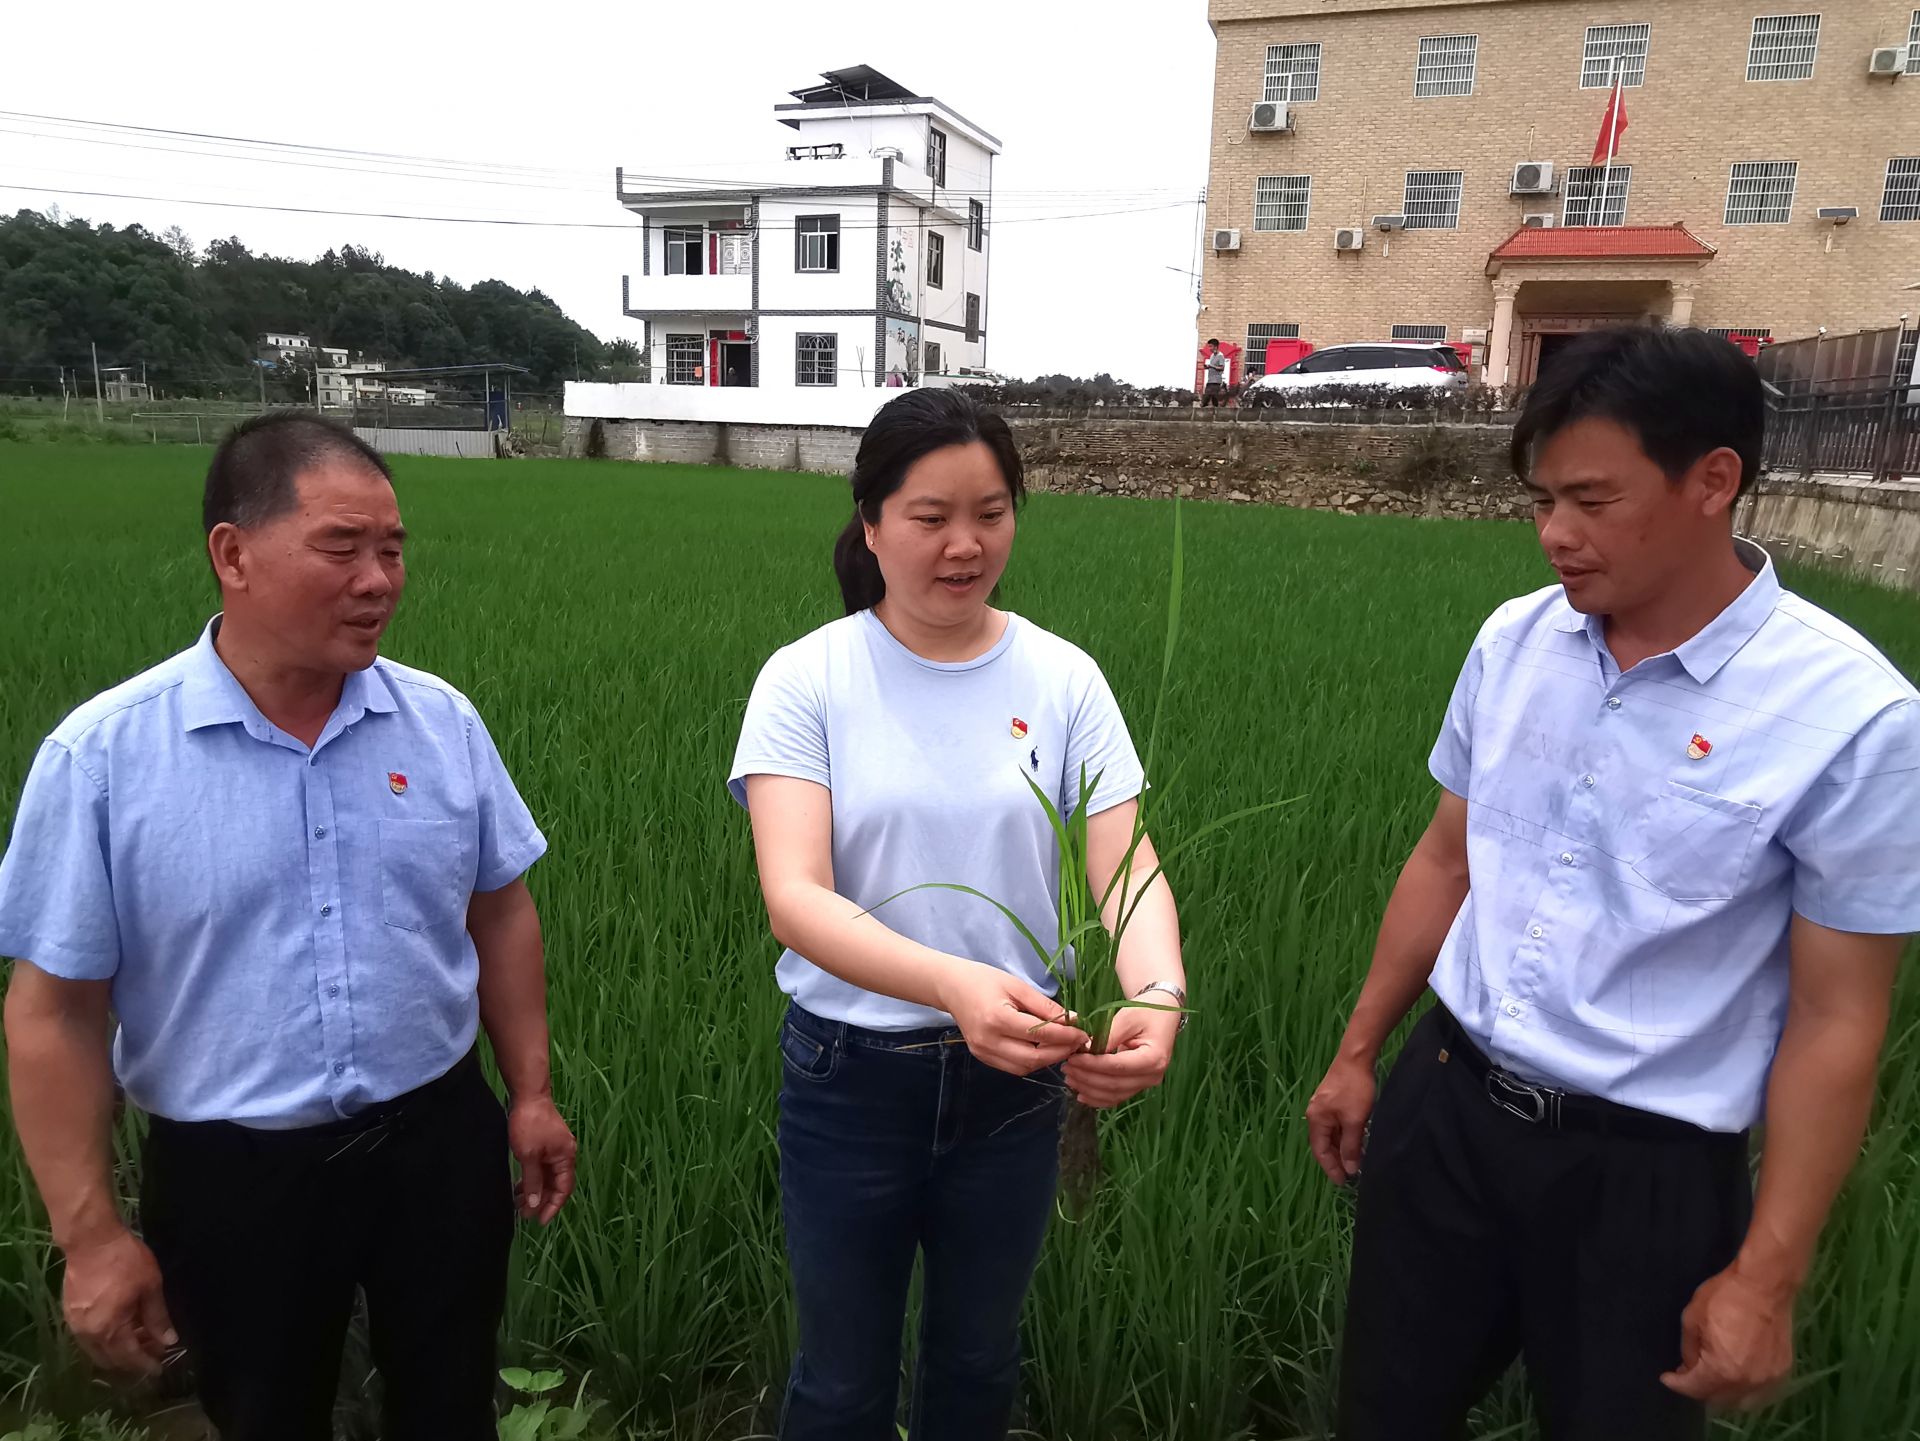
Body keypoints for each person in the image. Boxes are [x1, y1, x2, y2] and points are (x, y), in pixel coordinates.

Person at [1308, 325, 1920, 1441]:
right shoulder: (1514, 641)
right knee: (1384, 1415)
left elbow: (1840, 1018)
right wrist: (1360, 1053)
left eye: (1591, 500)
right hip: (1445, 1106)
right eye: (1543, 500)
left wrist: (1766, 1277)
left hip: (1644, 1181)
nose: (1555, 535)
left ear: (1713, 481)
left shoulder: (1854, 719)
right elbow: (1447, 857)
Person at [0, 413, 577, 1441]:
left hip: (436, 1141)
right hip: (236, 1173)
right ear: (233, 553)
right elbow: (54, 1014)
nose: (379, 579)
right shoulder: (104, 759)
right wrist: (90, 1237)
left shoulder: (441, 723)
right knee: (264, 1414)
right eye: (343, 546)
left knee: (451, 1406)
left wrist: (528, 1091)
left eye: (393, 549)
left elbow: (500, 908)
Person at [730, 386, 1187, 1440]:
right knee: (841, 1381)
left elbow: (1125, 861)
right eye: (931, 517)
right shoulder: (809, 679)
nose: (965, 544)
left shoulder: (1063, 677)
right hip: (853, 1075)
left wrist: (1158, 993)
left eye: (991, 512)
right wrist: (951, 983)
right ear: (872, 522)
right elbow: (795, 897)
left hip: (1016, 1077)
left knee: (979, 1363)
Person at [1201, 338, 1229, 407]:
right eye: (1209, 346)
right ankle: (1215, 412)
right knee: (1213, 398)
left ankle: (1203, 410)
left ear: (1215, 347)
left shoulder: (1220, 356)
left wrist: (1212, 366)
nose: (1209, 348)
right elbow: (1213, 366)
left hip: (1216, 381)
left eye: (1211, 346)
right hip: (1210, 380)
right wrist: (1208, 367)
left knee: (1207, 397)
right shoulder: (1212, 356)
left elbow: (1221, 368)